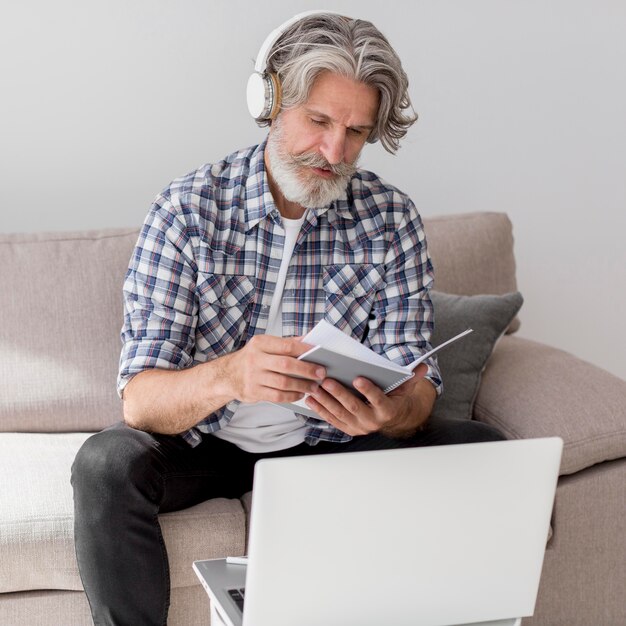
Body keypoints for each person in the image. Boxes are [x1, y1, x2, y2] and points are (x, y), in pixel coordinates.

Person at [71, 11, 505, 625]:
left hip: (326, 443)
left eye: (356, 132)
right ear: (270, 99)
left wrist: (395, 412)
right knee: (105, 463)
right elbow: (141, 401)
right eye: (320, 121)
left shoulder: (391, 219)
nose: (335, 151)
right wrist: (229, 376)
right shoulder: (187, 210)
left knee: (487, 450)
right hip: (205, 444)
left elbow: (415, 384)